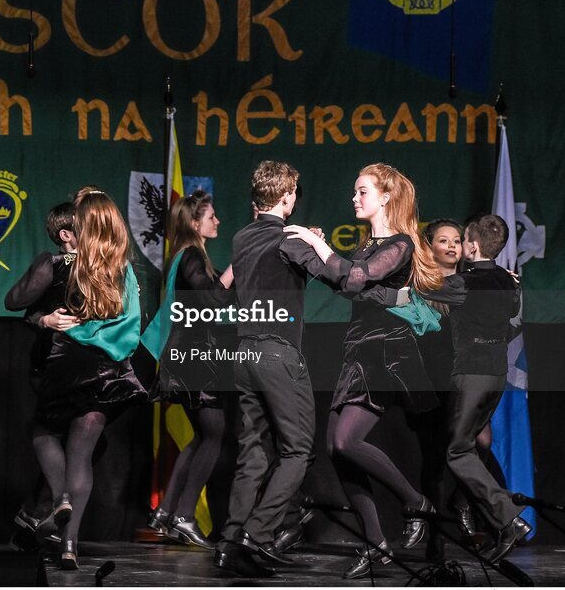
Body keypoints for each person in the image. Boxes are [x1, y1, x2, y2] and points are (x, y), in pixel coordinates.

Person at [285, 163, 445, 579]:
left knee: (345, 439)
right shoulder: (364, 246)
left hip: (385, 352)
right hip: (357, 349)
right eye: (354, 192)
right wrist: (389, 293)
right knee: (336, 449)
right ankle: (376, 544)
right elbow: (343, 283)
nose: (354, 199)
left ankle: (416, 502)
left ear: (386, 197)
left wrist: (317, 248)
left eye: (361, 192)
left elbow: (355, 281)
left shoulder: (400, 244)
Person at [213, 161, 352, 578]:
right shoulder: (290, 237)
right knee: (297, 450)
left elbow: (271, 278)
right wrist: (313, 241)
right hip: (278, 353)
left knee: (254, 451)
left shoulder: (242, 237)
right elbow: (338, 278)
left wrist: (305, 244)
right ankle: (257, 535)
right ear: (288, 197)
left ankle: (231, 542)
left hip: (246, 352)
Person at [4, 187, 146, 570]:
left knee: (43, 431)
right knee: (83, 453)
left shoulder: (62, 264)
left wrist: (42, 318)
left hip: (69, 365)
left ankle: (60, 495)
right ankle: (69, 546)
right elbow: (132, 326)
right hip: (112, 371)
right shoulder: (124, 268)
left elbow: (13, 299)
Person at [427, 214, 529, 564]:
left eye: (461, 241)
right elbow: (513, 308)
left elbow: (425, 291)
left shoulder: (462, 284)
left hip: (471, 374)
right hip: (497, 376)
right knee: (469, 443)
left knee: (456, 451)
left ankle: (506, 517)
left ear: (471, 246)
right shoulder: (508, 282)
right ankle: (485, 514)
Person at [144, 191, 234, 549]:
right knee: (215, 434)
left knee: (201, 436)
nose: (217, 222)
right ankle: (184, 516)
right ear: (195, 223)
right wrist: (234, 269)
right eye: (211, 216)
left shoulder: (183, 256)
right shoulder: (192, 255)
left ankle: (166, 513)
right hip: (193, 358)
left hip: (184, 357)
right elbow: (209, 299)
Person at [5, 202, 75, 552]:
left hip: (92, 370)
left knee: (87, 444)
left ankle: (32, 516)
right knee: (52, 435)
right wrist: (44, 319)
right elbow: (17, 304)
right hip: (50, 365)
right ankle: (52, 507)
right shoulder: (54, 263)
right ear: (66, 235)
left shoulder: (105, 264)